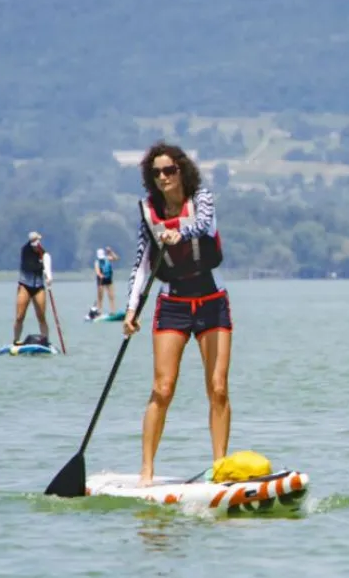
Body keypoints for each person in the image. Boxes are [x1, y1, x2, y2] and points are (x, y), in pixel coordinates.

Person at [122, 142, 230, 487]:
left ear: (181, 171)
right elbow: (142, 262)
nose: (163, 177)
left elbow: (203, 226)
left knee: (218, 388)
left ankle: (220, 468)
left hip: (212, 300)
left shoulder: (202, 199)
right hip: (173, 304)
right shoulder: (148, 211)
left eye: (169, 170)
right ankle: (146, 472)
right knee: (163, 388)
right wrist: (131, 309)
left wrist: (178, 232)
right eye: (156, 173)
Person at [13, 231, 53, 346]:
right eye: (34, 245)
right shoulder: (25, 251)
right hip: (25, 286)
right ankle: (16, 340)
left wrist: (49, 278)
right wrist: (41, 267)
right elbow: (30, 266)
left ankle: (45, 341)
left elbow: (48, 269)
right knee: (20, 316)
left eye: (37, 245)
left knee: (41, 316)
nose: (36, 247)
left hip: (38, 287)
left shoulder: (44, 254)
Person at [89, 247, 121, 319]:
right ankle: (99, 312)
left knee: (111, 296)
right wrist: (101, 275)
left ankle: (113, 311)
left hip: (109, 279)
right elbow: (97, 271)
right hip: (101, 280)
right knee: (100, 297)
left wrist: (110, 251)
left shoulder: (107, 258)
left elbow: (116, 258)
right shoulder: (97, 262)